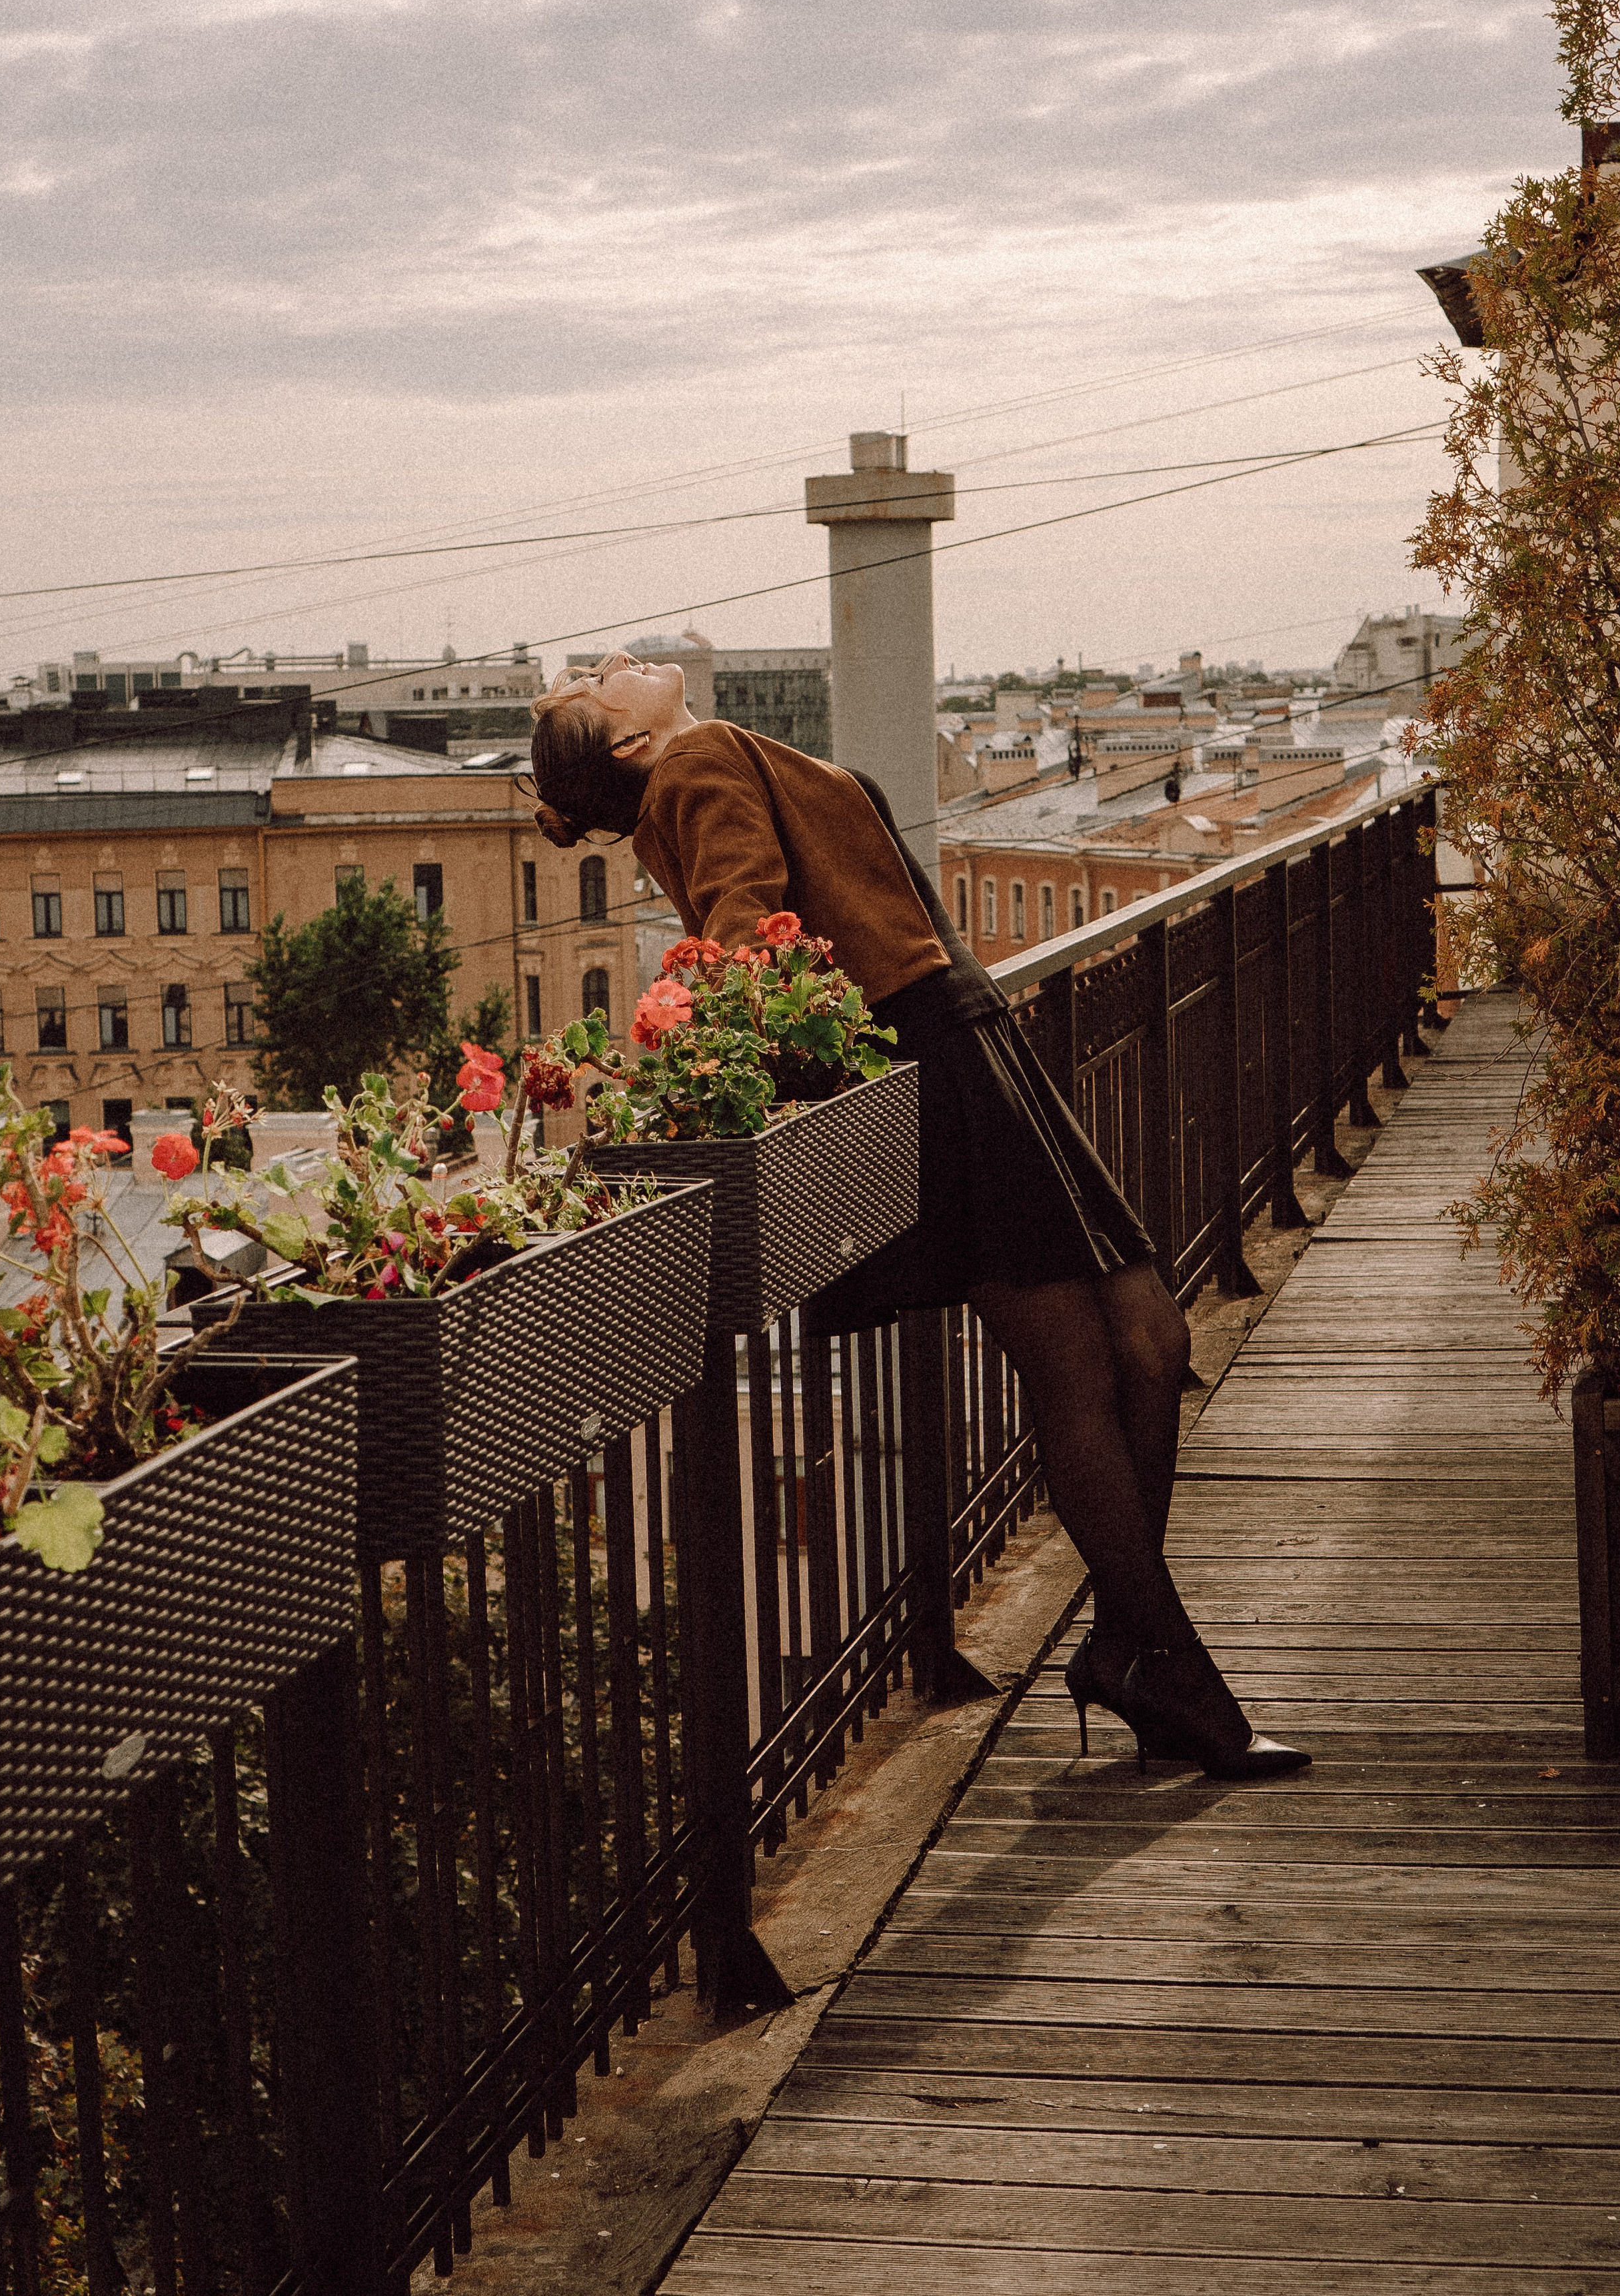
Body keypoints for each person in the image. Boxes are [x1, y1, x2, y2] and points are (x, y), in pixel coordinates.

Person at [529, 651, 1307, 1780]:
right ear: (634, 745)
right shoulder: (696, 761)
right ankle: (1171, 1669)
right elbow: (746, 937)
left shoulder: (701, 756)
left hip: (960, 1035)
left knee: (1147, 1338)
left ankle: (1132, 1646)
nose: (612, 663)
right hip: (930, 1050)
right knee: (1092, 1357)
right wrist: (745, 1046)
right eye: (598, 687)